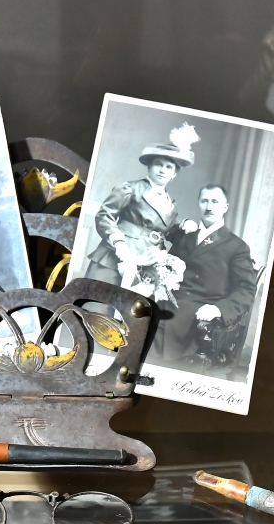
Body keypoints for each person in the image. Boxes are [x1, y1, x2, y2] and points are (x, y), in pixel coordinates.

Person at [157, 184, 260, 372]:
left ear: (225, 207)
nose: (209, 207)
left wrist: (218, 309)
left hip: (198, 308)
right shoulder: (186, 236)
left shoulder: (237, 246)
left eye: (215, 202)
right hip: (168, 299)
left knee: (159, 328)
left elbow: (246, 290)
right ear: (198, 204)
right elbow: (167, 261)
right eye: (204, 201)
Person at [83, 124, 199, 287]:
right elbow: (104, 216)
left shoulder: (170, 205)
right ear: (149, 167)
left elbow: (168, 231)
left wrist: (185, 226)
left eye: (169, 167)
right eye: (158, 164)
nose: (163, 170)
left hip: (148, 263)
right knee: (98, 298)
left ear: (174, 174)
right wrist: (118, 243)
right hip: (117, 256)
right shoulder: (130, 188)